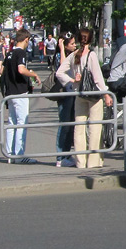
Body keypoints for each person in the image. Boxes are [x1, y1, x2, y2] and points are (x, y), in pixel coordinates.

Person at [57, 28, 112, 169]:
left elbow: (59, 73)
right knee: (95, 127)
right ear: (91, 39)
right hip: (94, 95)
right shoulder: (91, 55)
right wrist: (106, 94)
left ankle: (80, 161)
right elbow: (98, 78)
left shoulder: (74, 55)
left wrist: (72, 80)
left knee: (79, 127)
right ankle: (93, 161)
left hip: (79, 94)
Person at [3, 29, 42, 163]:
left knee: (12, 122)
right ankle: (19, 155)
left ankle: (9, 154)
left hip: (10, 92)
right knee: (22, 122)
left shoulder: (10, 53)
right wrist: (34, 74)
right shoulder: (20, 52)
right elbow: (21, 69)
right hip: (20, 92)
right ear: (26, 39)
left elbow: (3, 71)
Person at [51, 34, 77, 167]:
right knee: (64, 123)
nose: (75, 46)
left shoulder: (73, 56)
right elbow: (61, 68)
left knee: (70, 124)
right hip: (63, 94)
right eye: (72, 44)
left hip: (71, 91)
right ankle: (60, 156)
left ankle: (67, 154)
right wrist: (61, 48)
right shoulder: (59, 56)